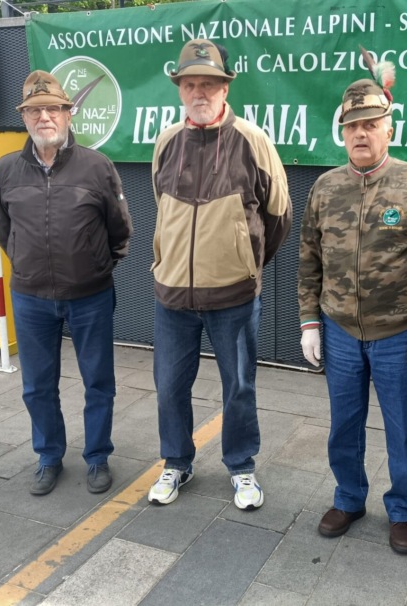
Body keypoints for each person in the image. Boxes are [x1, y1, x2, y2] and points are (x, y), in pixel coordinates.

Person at [297, 62, 407, 554]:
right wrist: (309, 321)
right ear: (342, 132)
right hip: (340, 330)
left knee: (401, 429)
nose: (361, 133)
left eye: (370, 124)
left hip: (398, 333)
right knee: (344, 424)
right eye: (352, 125)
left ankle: (402, 510)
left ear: (389, 128)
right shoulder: (325, 188)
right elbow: (309, 258)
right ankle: (348, 498)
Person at [148, 39, 291, 509]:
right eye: (190, 84)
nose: (199, 93)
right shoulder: (166, 142)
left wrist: (243, 263)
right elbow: (161, 208)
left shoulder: (252, 140)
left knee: (239, 388)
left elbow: (278, 215)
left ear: (225, 88)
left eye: (208, 84)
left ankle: (241, 466)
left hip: (233, 298)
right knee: (169, 388)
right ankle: (176, 462)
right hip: (172, 298)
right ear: (179, 90)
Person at [0, 71, 133, 496]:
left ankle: (97, 456)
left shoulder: (97, 166)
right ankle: (49, 456)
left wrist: (96, 266)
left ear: (69, 114)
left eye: (53, 108)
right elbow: (3, 229)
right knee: (37, 386)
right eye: (35, 111)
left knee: (98, 382)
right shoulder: (7, 169)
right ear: (24, 118)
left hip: (90, 296)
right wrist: (28, 263)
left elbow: (120, 229)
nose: (45, 117)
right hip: (31, 297)